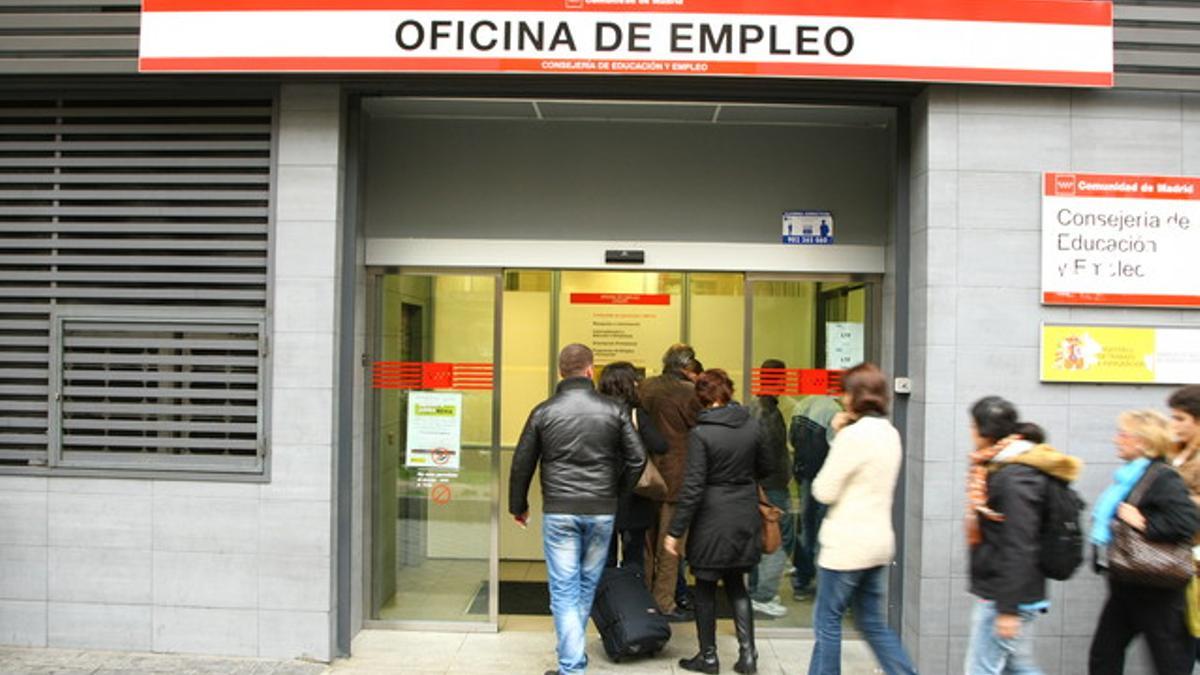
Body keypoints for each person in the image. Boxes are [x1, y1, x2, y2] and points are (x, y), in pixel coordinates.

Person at [509, 344, 647, 675]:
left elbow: (521, 463)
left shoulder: (543, 411)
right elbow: (638, 458)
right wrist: (615, 493)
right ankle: (573, 659)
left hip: (560, 511)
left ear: (561, 372)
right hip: (601, 510)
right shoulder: (613, 409)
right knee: (585, 586)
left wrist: (519, 505)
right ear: (590, 370)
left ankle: (571, 666)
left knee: (564, 590)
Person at [807, 363, 916, 675]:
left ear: (856, 395)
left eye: (844, 392)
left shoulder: (852, 438)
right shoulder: (890, 433)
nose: (841, 398)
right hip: (878, 544)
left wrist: (839, 434)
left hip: (845, 547)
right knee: (872, 624)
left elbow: (824, 490)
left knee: (827, 622)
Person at [962, 397, 1082, 675]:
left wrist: (1007, 609)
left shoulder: (1015, 476)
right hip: (1009, 591)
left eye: (972, 426)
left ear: (984, 431)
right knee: (1018, 666)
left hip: (1005, 594)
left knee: (981, 669)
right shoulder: (1002, 466)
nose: (970, 433)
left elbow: (1019, 543)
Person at [664, 369, 770, 674]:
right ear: (729, 392)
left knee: (706, 588)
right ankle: (748, 656)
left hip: (711, 519)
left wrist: (675, 531)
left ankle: (708, 657)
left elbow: (694, 486)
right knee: (738, 586)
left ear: (702, 397)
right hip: (744, 514)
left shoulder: (701, 433)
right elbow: (766, 466)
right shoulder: (751, 425)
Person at [1088, 409, 1200, 675]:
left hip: (1157, 586)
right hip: (1127, 581)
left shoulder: (1162, 476)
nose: (1117, 440)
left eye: (1123, 434)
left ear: (1143, 441)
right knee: (1104, 655)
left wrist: (1143, 523)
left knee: (1169, 662)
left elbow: (1187, 522)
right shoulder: (1129, 476)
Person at [641, 343, 703, 622]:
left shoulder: (645, 387)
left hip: (645, 476)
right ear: (686, 366)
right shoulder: (690, 394)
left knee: (647, 543)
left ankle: (641, 597)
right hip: (677, 478)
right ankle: (664, 602)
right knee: (670, 544)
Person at [598, 361, 667, 571]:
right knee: (634, 557)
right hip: (634, 495)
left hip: (602, 494)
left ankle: (606, 600)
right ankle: (631, 599)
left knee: (604, 558)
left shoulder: (596, 413)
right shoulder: (637, 414)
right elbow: (660, 445)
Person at [749, 358, 794, 619]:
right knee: (775, 539)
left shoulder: (764, 407)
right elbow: (767, 452)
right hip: (771, 485)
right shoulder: (766, 411)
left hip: (767, 483)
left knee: (763, 539)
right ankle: (763, 595)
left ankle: (758, 592)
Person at [789, 394, 841, 600]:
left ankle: (802, 578)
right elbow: (837, 448)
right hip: (824, 476)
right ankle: (820, 583)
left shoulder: (802, 404)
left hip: (804, 475)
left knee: (806, 528)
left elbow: (792, 439)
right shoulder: (834, 411)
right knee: (821, 531)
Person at [1166, 385, 1200, 663]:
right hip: (1176, 559)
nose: (1172, 423)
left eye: (1180, 418)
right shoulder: (1174, 454)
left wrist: (1172, 499)